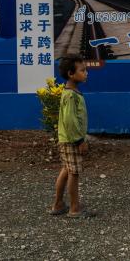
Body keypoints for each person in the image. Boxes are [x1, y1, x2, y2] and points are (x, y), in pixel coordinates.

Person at [49, 55, 95, 218]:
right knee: (74, 173)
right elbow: (70, 120)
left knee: (67, 169)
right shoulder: (70, 95)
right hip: (71, 140)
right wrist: (79, 140)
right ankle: (75, 208)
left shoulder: (72, 93)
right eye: (82, 70)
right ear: (70, 73)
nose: (86, 73)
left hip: (67, 139)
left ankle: (58, 204)